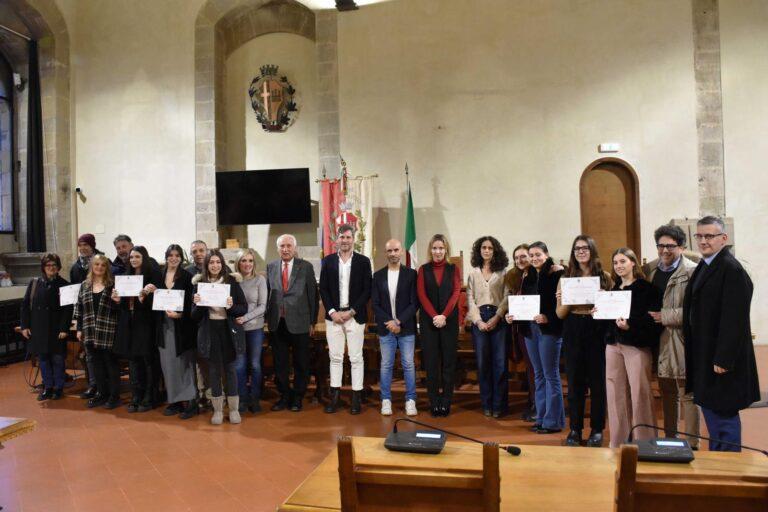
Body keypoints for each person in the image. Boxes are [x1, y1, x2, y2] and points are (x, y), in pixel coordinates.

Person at [683, 216, 759, 452]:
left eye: (709, 236)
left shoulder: (731, 269)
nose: (703, 241)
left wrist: (724, 358)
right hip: (706, 354)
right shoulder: (706, 266)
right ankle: (719, 462)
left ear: (723, 239)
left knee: (723, 416)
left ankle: (729, 468)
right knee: (712, 413)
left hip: (721, 360)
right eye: (700, 236)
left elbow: (735, 319)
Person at [601, 248, 661, 448]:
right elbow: (609, 320)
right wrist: (599, 311)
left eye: (623, 261)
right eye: (616, 262)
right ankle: (618, 442)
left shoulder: (647, 288)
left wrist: (630, 326)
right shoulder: (614, 290)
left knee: (640, 393)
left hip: (636, 345)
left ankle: (645, 442)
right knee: (615, 393)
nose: (619, 266)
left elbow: (652, 321)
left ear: (633, 262)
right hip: (613, 345)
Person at [556, 235, 613, 447]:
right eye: (577, 248)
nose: (581, 252)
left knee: (598, 383)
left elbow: (613, 308)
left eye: (585, 248)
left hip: (596, 328)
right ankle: (575, 429)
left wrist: (603, 297)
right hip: (573, 328)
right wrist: (566, 300)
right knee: (574, 383)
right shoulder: (566, 277)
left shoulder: (605, 276)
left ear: (592, 250)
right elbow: (560, 314)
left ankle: (597, 430)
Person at [647, 224, 700, 449]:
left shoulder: (692, 271)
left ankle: (692, 442)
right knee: (667, 391)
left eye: (670, 246)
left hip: (681, 338)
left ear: (682, 246)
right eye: (661, 245)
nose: (665, 250)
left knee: (686, 392)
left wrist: (665, 316)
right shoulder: (653, 271)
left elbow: (697, 310)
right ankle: (670, 439)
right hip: (659, 339)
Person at [507, 242, 564, 433]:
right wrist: (513, 316)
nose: (534, 258)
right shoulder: (528, 276)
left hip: (549, 330)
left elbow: (563, 304)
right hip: (530, 329)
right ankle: (541, 417)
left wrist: (548, 316)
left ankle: (553, 421)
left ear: (546, 255)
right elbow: (524, 302)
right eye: (531, 255)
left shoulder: (557, 274)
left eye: (538, 254)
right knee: (538, 375)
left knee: (550, 375)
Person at [319, 224, 372, 415]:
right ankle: (335, 396)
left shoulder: (363, 262)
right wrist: (333, 312)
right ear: (337, 239)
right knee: (335, 357)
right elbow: (323, 288)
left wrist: (351, 312)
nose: (345, 241)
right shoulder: (327, 261)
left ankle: (356, 397)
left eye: (349, 237)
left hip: (354, 316)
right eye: (342, 237)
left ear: (353, 239)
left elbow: (367, 289)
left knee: (356, 357)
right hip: (334, 317)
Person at [191, 249, 247, 425]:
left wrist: (231, 306)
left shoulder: (232, 281)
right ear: (206, 265)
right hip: (210, 331)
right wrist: (198, 304)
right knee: (214, 370)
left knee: (230, 369)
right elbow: (194, 316)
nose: (215, 265)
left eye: (218, 262)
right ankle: (217, 410)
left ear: (222, 264)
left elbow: (243, 308)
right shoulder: (200, 284)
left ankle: (234, 409)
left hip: (228, 330)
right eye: (211, 262)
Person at [265, 234, 319, 412]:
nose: (285, 249)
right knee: (280, 363)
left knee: (301, 363)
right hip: (277, 323)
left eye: (289, 246)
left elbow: (313, 294)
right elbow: (268, 295)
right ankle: (284, 395)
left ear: (295, 248)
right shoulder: (271, 266)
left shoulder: (306, 267)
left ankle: (297, 397)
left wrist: (312, 322)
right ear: (278, 248)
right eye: (282, 246)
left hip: (300, 322)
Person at [371, 239, 418, 416]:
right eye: (389, 251)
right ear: (386, 253)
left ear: (401, 251)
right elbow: (375, 304)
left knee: (408, 364)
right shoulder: (378, 276)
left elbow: (415, 303)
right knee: (386, 365)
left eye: (396, 250)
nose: (392, 254)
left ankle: (411, 400)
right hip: (386, 328)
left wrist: (399, 321)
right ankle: (386, 400)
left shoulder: (411, 274)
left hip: (406, 328)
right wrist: (390, 323)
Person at [417, 234, 461, 417]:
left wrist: (444, 315)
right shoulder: (423, 269)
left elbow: (456, 292)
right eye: (434, 248)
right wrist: (435, 316)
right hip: (429, 322)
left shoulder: (453, 269)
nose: (438, 251)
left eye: (441, 248)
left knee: (449, 363)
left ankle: (446, 401)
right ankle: (434, 401)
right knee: (432, 363)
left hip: (449, 321)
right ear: (430, 250)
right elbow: (421, 295)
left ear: (446, 250)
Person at [112, 246, 161, 413]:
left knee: (147, 361)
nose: (133, 259)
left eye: (137, 257)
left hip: (145, 324)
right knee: (133, 362)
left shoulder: (152, 276)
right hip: (129, 324)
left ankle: (149, 396)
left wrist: (146, 297)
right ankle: (136, 395)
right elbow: (122, 307)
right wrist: (117, 301)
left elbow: (157, 305)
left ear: (144, 258)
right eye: (132, 257)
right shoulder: (125, 278)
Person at [467, 236, 509, 418]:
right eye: (483, 247)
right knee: (483, 363)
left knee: (499, 363)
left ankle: (499, 405)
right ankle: (486, 404)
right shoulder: (473, 273)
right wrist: (478, 321)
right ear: (479, 250)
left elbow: (507, 296)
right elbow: (470, 299)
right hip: (479, 320)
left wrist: (497, 317)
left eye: (490, 248)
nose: (486, 250)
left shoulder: (503, 273)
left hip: (498, 319)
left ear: (495, 250)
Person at [21, 254, 73, 401]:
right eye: (48, 265)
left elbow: (68, 309)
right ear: (43, 267)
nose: (51, 268)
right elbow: (25, 305)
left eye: (54, 265)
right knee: (43, 359)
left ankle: (58, 388)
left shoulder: (65, 284)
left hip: (57, 329)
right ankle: (47, 387)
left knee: (57, 359)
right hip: (39, 328)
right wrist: (25, 326)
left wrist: (64, 328)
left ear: (58, 267)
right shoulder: (34, 283)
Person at [155, 244, 198, 420]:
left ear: (181, 258)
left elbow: (192, 304)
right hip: (163, 326)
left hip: (181, 327)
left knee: (184, 365)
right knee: (167, 364)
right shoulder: (159, 276)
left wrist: (181, 315)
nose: (173, 258)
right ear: (166, 257)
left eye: (177, 255)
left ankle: (191, 402)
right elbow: (155, 300)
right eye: (170, 255)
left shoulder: (187, 277)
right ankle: (174, 401)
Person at [73, 254, 120, 409]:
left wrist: (117, 302)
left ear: (107, 267)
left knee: (110, 364)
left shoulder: (112, 284)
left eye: (103, 265)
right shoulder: (85, 285)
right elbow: (79, 308)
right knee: (95, 364)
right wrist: (79, 328)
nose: (99, 267)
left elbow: (119, 309)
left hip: (107, 330)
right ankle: (101, 393)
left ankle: (114, 396)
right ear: (92, 266)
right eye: (97, 264)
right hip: (89, 330)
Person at [233, 248, 268, 413]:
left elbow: (262, 306)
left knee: (255, 365)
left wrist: (245, 318)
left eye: (250, 261)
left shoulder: (260, 280)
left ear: (254, 263)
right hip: (237, 329)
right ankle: (242, 399)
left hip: (255, 328)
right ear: (238, 263)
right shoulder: (233, 280)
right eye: (243, 260)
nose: (247, 264)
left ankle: (255, 399)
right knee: (239, 366)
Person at [504, 244, 536, 422]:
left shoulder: (536, 274)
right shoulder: (515, 276)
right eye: (516, 258)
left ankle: (537, 404)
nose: (519, 260)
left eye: (523, 256)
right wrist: (510, 315)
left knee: (535, 368)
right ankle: (533, 401)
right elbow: (514, 301)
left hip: (536, 327)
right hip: (522, 328)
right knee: (530, 368)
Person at [69, 233, 102, 400]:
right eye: (80, 245)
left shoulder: (102, 260)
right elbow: (76, 295)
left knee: (102, 355)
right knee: (88, 354)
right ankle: (92, 384)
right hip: (86, 315)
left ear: (92, 245)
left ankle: (104, 386)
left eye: (86, 245)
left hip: (102, 315)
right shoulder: (75, 268)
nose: (82, 248)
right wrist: (77, 322)